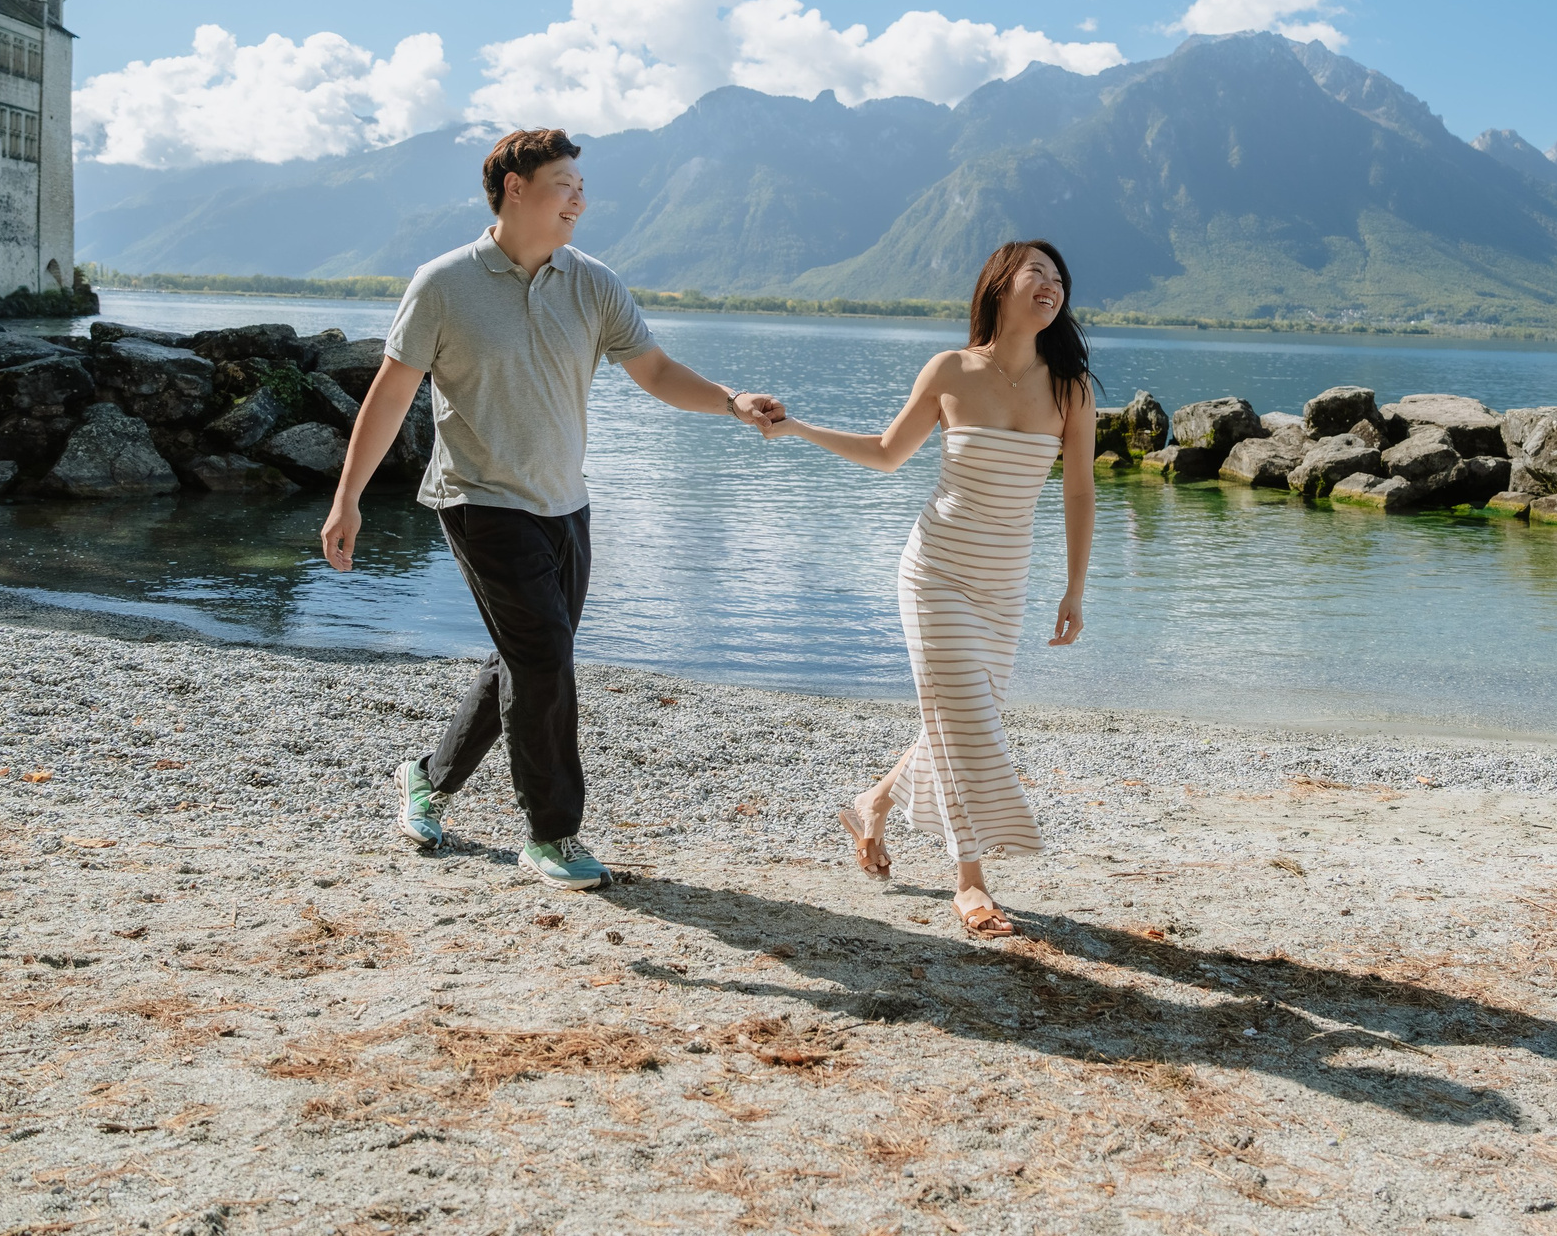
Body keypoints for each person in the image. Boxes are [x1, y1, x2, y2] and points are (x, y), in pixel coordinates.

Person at [321, 127, 784, 890]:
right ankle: (552, 833)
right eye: (564, 183)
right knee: (545, 658)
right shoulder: (443, 283)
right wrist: (348, 500)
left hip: (565, 503)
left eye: (580, 185)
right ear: (514, 186)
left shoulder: (592, 282)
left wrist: (731, 401)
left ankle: (427, 780)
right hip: (478, 499)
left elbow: (656, 369)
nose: (580, 198)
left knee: (522, 656)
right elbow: (392, 392)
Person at [760, 239, 1095, 937]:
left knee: (956, 718)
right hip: (935, 571)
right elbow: (887, 454)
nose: (1052, 285)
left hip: (1005, 585)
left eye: (1060, 278)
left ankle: (873, 802)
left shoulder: (1070, 387)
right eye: (1038, 272)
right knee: (967, 720)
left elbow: (1080, 490)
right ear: (1000, 285)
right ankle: (969, 882)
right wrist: (796, 428)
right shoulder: (950, 369)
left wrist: (1074, 587)